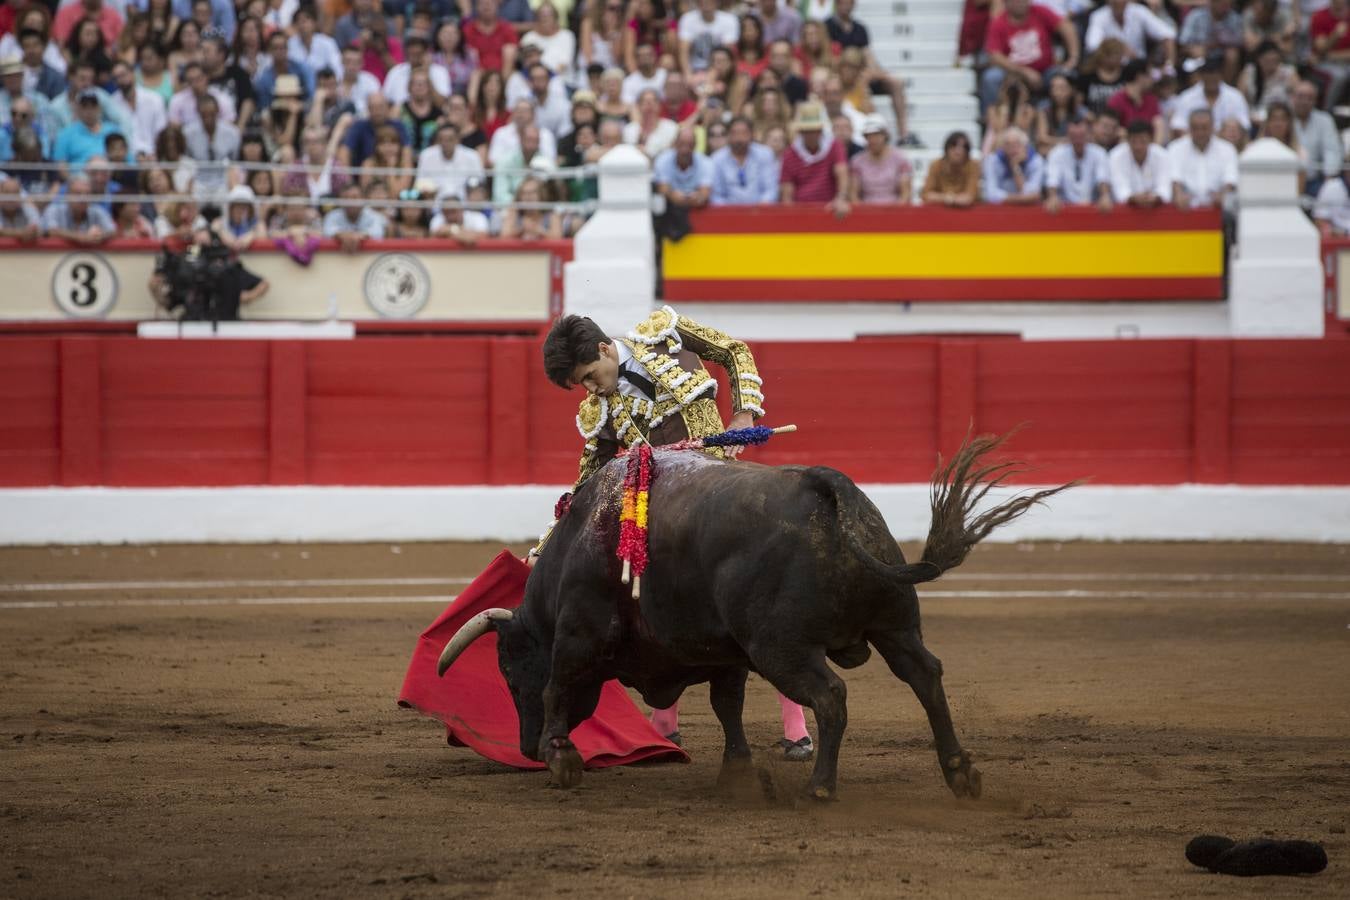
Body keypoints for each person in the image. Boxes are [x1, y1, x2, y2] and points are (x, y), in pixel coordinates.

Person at [535, 309, 815, 761]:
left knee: (762, 602)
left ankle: (796, 727)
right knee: (663, 605)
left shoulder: (662, 336)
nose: (590, 389)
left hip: (724, 492)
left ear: (606, 349)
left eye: (590, 376)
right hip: (669, 519)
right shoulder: (600, 412)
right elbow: (585, 488)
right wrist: (547, 547)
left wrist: (743, 414)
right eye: (582, 384)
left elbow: (732, 350)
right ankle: (665, 722)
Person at [981, 0, 1080, 112]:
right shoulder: (998, 22)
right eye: (1016, 2)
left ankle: (1067, 116)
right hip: (1012, 73)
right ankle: (992, 117)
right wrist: (1024, 71)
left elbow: (1067, 27)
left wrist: (1073, 58)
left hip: (1045, 71)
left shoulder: (1040, 12)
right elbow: (994, 55)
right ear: (1006, 3)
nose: (1020, 3)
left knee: (1067, 75)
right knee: (991, 77)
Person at [778, 101, 849, 216]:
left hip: (830, 209)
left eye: (815, 130)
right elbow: (787, 194)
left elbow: (842, 173)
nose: (812, 135)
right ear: (801, 132)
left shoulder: (834, 146)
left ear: (820, 130)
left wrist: (841, 198)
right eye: (808, 131)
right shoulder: (789, 154)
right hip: (800, 213)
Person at [1168, 108, 1238, 212]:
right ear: (1189, 128)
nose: (1200, 132)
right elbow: (1175, 178)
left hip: (1218, 210)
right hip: (1185, 210)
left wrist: (1224, 195)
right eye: (1195, 128)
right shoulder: (1175, 147)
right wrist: (1178, 195)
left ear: (1213, 128)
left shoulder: (1227, 149)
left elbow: (1230, 179)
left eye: (1204, 128)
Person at [1169, 52, 1250, 139]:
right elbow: (1178, 126)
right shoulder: (1187, 97)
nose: (1211, 78)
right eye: (1208, 74)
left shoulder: (1235, 96)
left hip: (1227, 144)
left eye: (1215, 74)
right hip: (1194, 144)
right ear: (1202, 75)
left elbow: (1244, 125)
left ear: (1221, 74)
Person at [1043, 116, 1112, 213]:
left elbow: (1102, 178)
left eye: (1081, 135)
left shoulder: (1099, 153)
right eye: (1074, 136)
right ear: (1068, 135)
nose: (1078, 140)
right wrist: (1053, 196)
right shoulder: (1056, 153)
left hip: (1092, 208)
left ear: (1088, 134)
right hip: (1064, 209)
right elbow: (1052, 180)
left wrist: (1105, 195)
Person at [1291, 80, 1342, 199]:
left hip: (1314, 180)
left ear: (1315, 101)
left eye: (1309, 98)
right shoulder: (1284, 119)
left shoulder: (1324, 120)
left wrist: (1329, 178)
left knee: (1330, 194)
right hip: (1287, 179)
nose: (1304, 101)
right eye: (1300, 96)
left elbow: (1332, 150)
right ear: (1292, 97)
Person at [1084, 0, 1176, 65]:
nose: (1117, 2)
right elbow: (1092, 45)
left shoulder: (1139, 11)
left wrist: (1169, 66)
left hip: (1138, 67)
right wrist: (1119, 47)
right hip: (1112, 66)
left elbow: (1168, 34)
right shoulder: (1098, 16)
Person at [710, 115, 777, 205]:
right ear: (728, 135)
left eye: (744, 133)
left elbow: (770, 190)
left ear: (752, 135)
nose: (739, 138)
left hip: (760, 212)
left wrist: (758, 210)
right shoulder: (717, 159)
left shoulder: (765, 154)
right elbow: (716, 196)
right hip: (727, 214)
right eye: (735, 133)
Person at [849, 115, 911, 204]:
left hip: (894, 210)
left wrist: (895, 213)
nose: (873, 139)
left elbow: (905, 193)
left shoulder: (900, 159)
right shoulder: (857, 161)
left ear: (885, 135)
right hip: (866, 211)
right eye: (869, 136)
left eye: (877, 135)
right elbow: (853, 194)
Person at [1109, 119, 1172, 206]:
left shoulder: (1162, 155)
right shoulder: (1116, 156)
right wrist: (1133, 198)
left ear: (1151, 139)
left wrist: (1155, 198)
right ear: (1127, 139)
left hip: (1155, 210)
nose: (1138, 147)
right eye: (1133, 141)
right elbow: (1120, 190)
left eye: (1143, 141)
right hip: (1126, 211)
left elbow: (1164, 189)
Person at [417, 122, 484, 200]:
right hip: (434, 205)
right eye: (441, 139)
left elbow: (479, 183)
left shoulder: (472, 156)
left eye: (450, 139)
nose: (445, 143)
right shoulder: (426, 155)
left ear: (458, 139)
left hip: (465, 206)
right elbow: (420, 183)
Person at [41, 172, 114, 242]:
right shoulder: (54, 209)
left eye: (87, 194)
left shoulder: (97, 210)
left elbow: (112, 231)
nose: (83, 198)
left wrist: (99, 236)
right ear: (67, 195)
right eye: (77, 193)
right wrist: (81, 237)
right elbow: (51, 231)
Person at [982, 126, 1044, 205]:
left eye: (1017, 144)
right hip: (1000, 211)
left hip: (1027, 211)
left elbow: (1032, 192)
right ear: (1002, 147)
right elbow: (990, 195)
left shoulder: (1036, 161)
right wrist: (1023, 199)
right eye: (1007, 144)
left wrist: (1015, 166)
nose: (1012, 149)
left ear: (1025, 146)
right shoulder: (992, 161)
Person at [323, 176, 387, 250]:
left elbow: (378, 233)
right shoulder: (332, 216)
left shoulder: (373, 216)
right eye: (346, 198)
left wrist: (359, 236)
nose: (350, 202)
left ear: (363, 199)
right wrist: (342, 235)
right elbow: (327, 232)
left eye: (355, 197)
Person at [921, 130, 980, 207]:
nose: (958, 151)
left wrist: (949, 199)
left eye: (964, 147)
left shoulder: (973, 166)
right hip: (939, 213)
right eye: (954, 145)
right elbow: (926, 195)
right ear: (947, 148)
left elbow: (969, 197)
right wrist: (948, 198)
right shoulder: (936, 165)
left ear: (967, 152)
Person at [0, 174, 41, 241]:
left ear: (20, 195)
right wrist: (21, 233)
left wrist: (33, 232)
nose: (11, 198)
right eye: (7, 193)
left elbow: (38, 230)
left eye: (14, 193)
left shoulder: (27, 206)